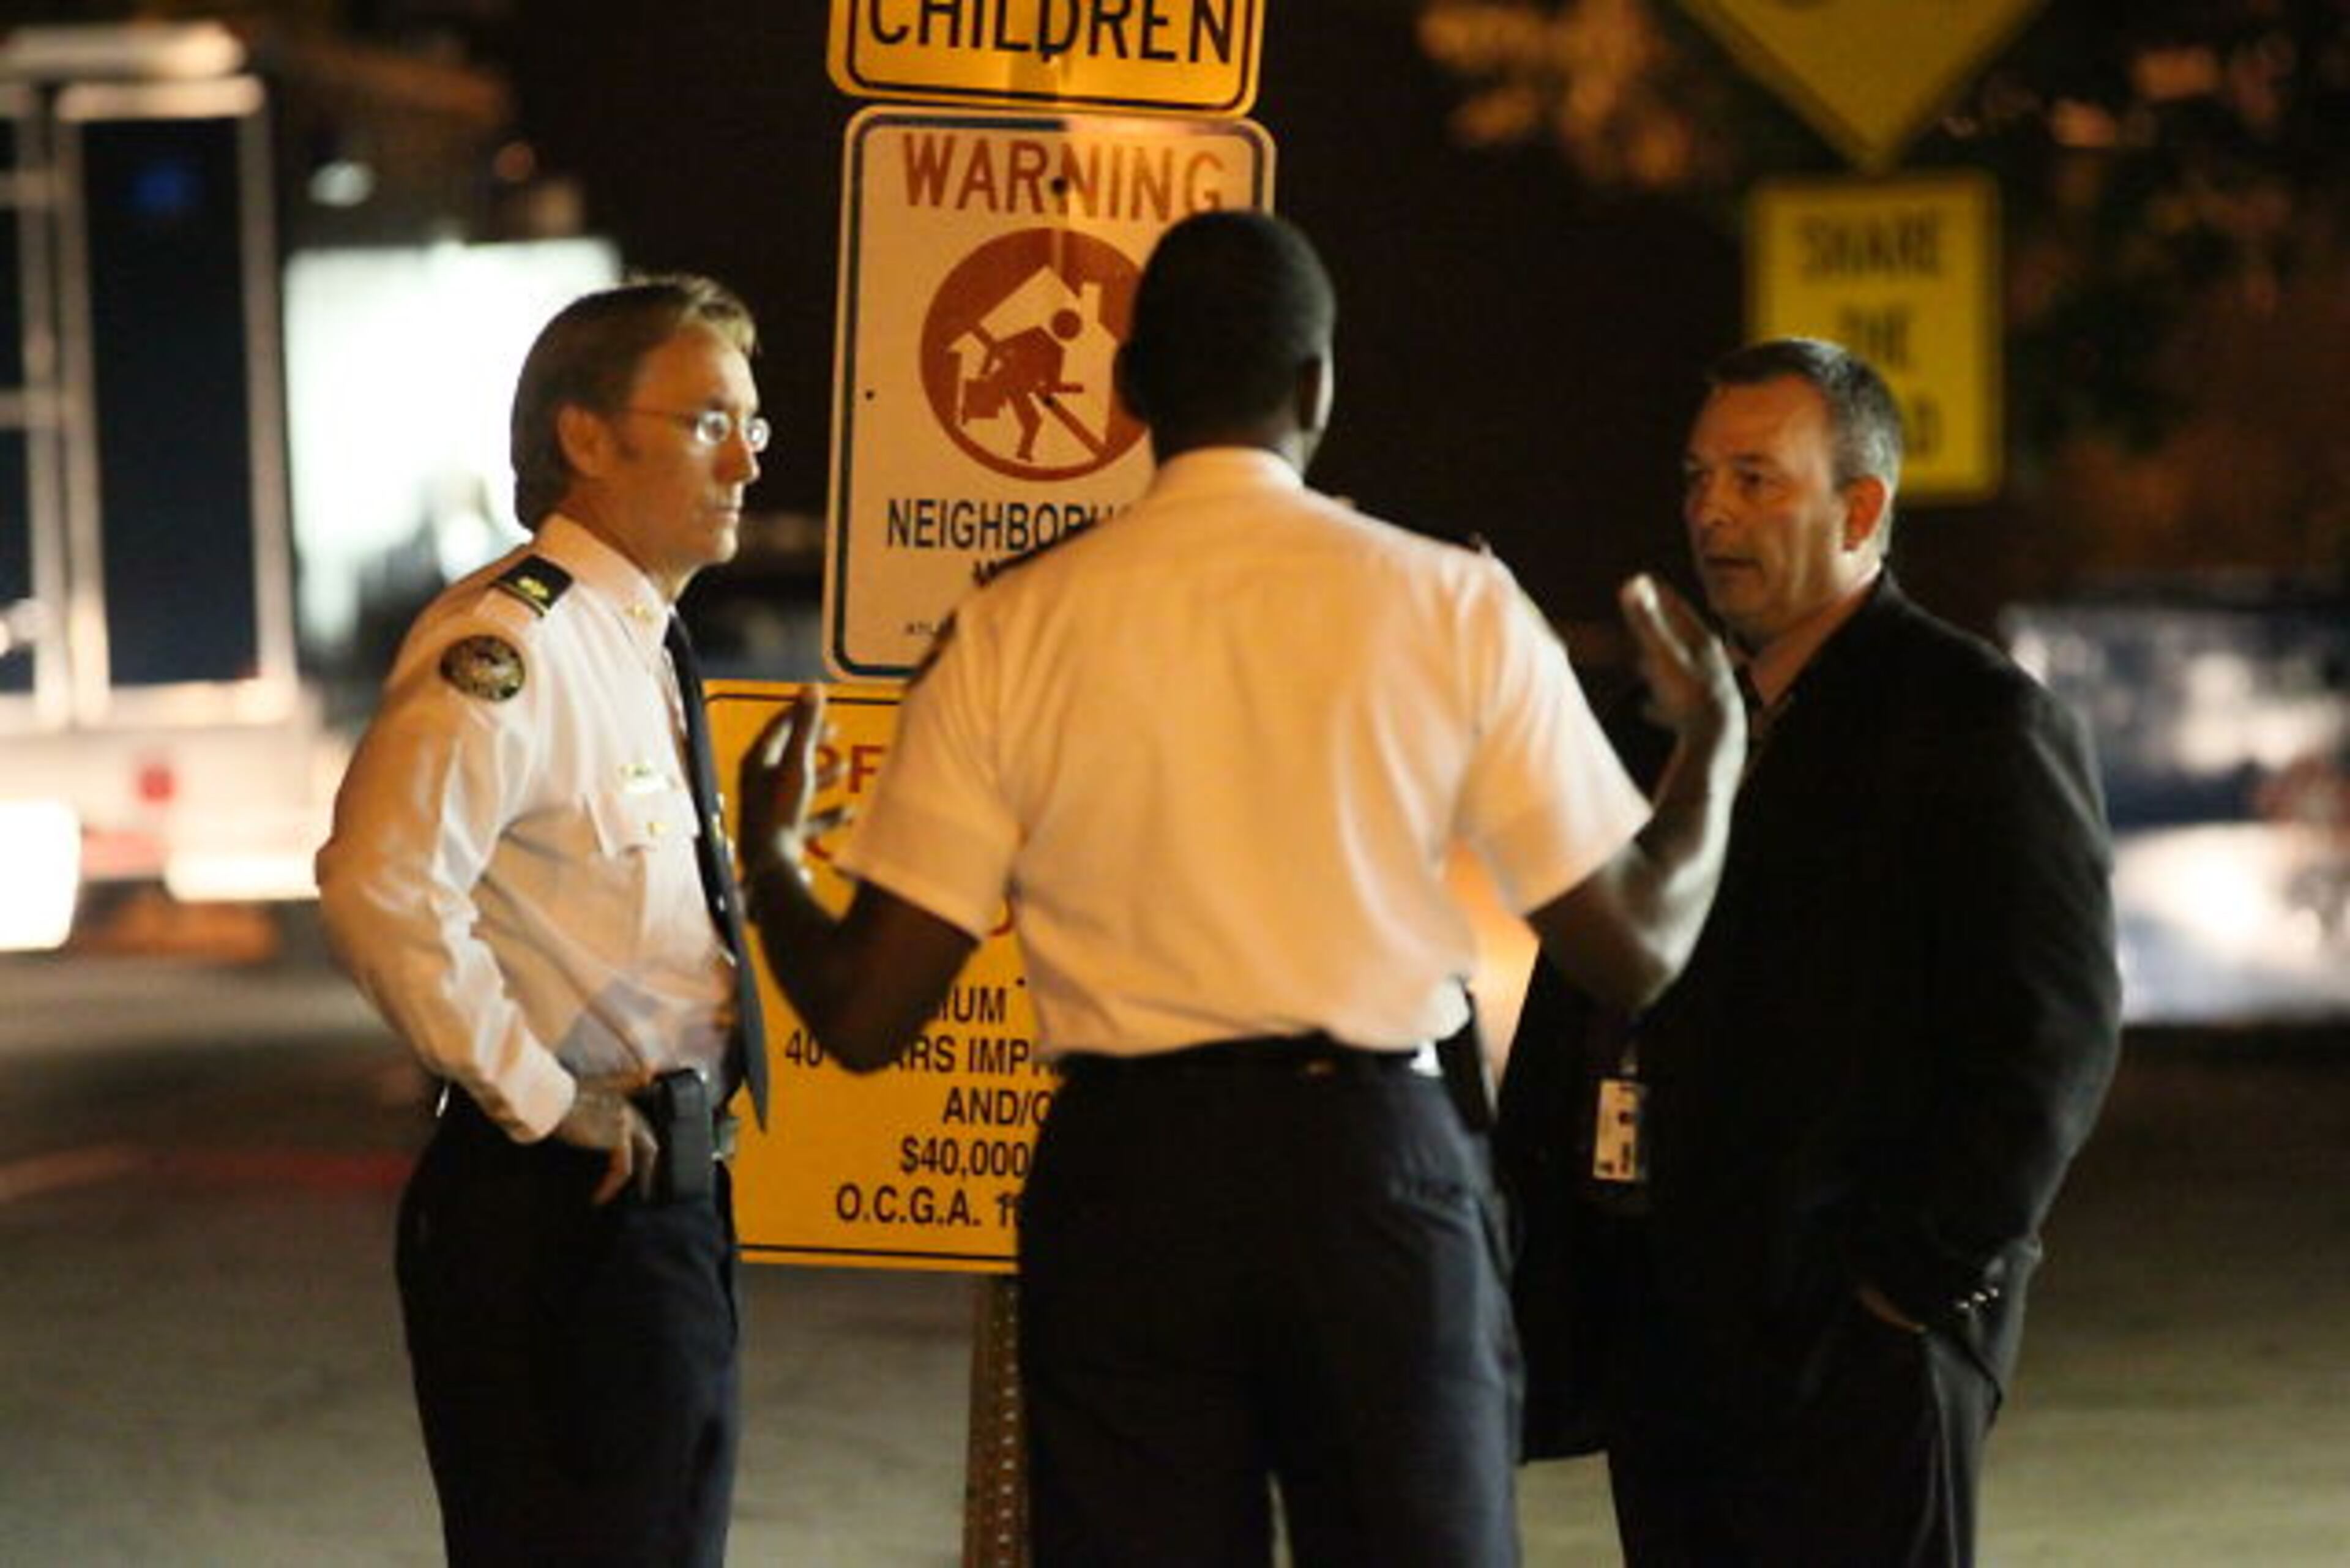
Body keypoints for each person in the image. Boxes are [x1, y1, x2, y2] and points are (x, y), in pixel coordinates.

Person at [734, 209, 1745, 1567]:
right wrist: (1713, 751)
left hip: (1127, 1179)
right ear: (1319, 385)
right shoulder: (1450, 605)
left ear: (1128, 392)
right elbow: (1634, 945)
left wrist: (768, 855)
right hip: (1372, 1171)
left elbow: (865, 1014)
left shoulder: (1011, 627)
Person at [1496, 337, 2123, 1566]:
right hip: (1658, 1325)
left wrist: (1911, 1285)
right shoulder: (1655, 722)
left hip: (1853, 1342)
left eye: (1754, 478)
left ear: (1862, 507)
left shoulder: (1972, 721)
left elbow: (2052, 1035)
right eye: (1696, 478)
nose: (1710, 511)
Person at [316, 274, 772, 1566]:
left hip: (656, 1204)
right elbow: (380, 883)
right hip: (558, 1212)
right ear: (586, 436)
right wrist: (539, 1094)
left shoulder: (634, 645)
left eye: (754, 426)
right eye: (706, 423)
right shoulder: (512, 645)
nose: (744, 457)